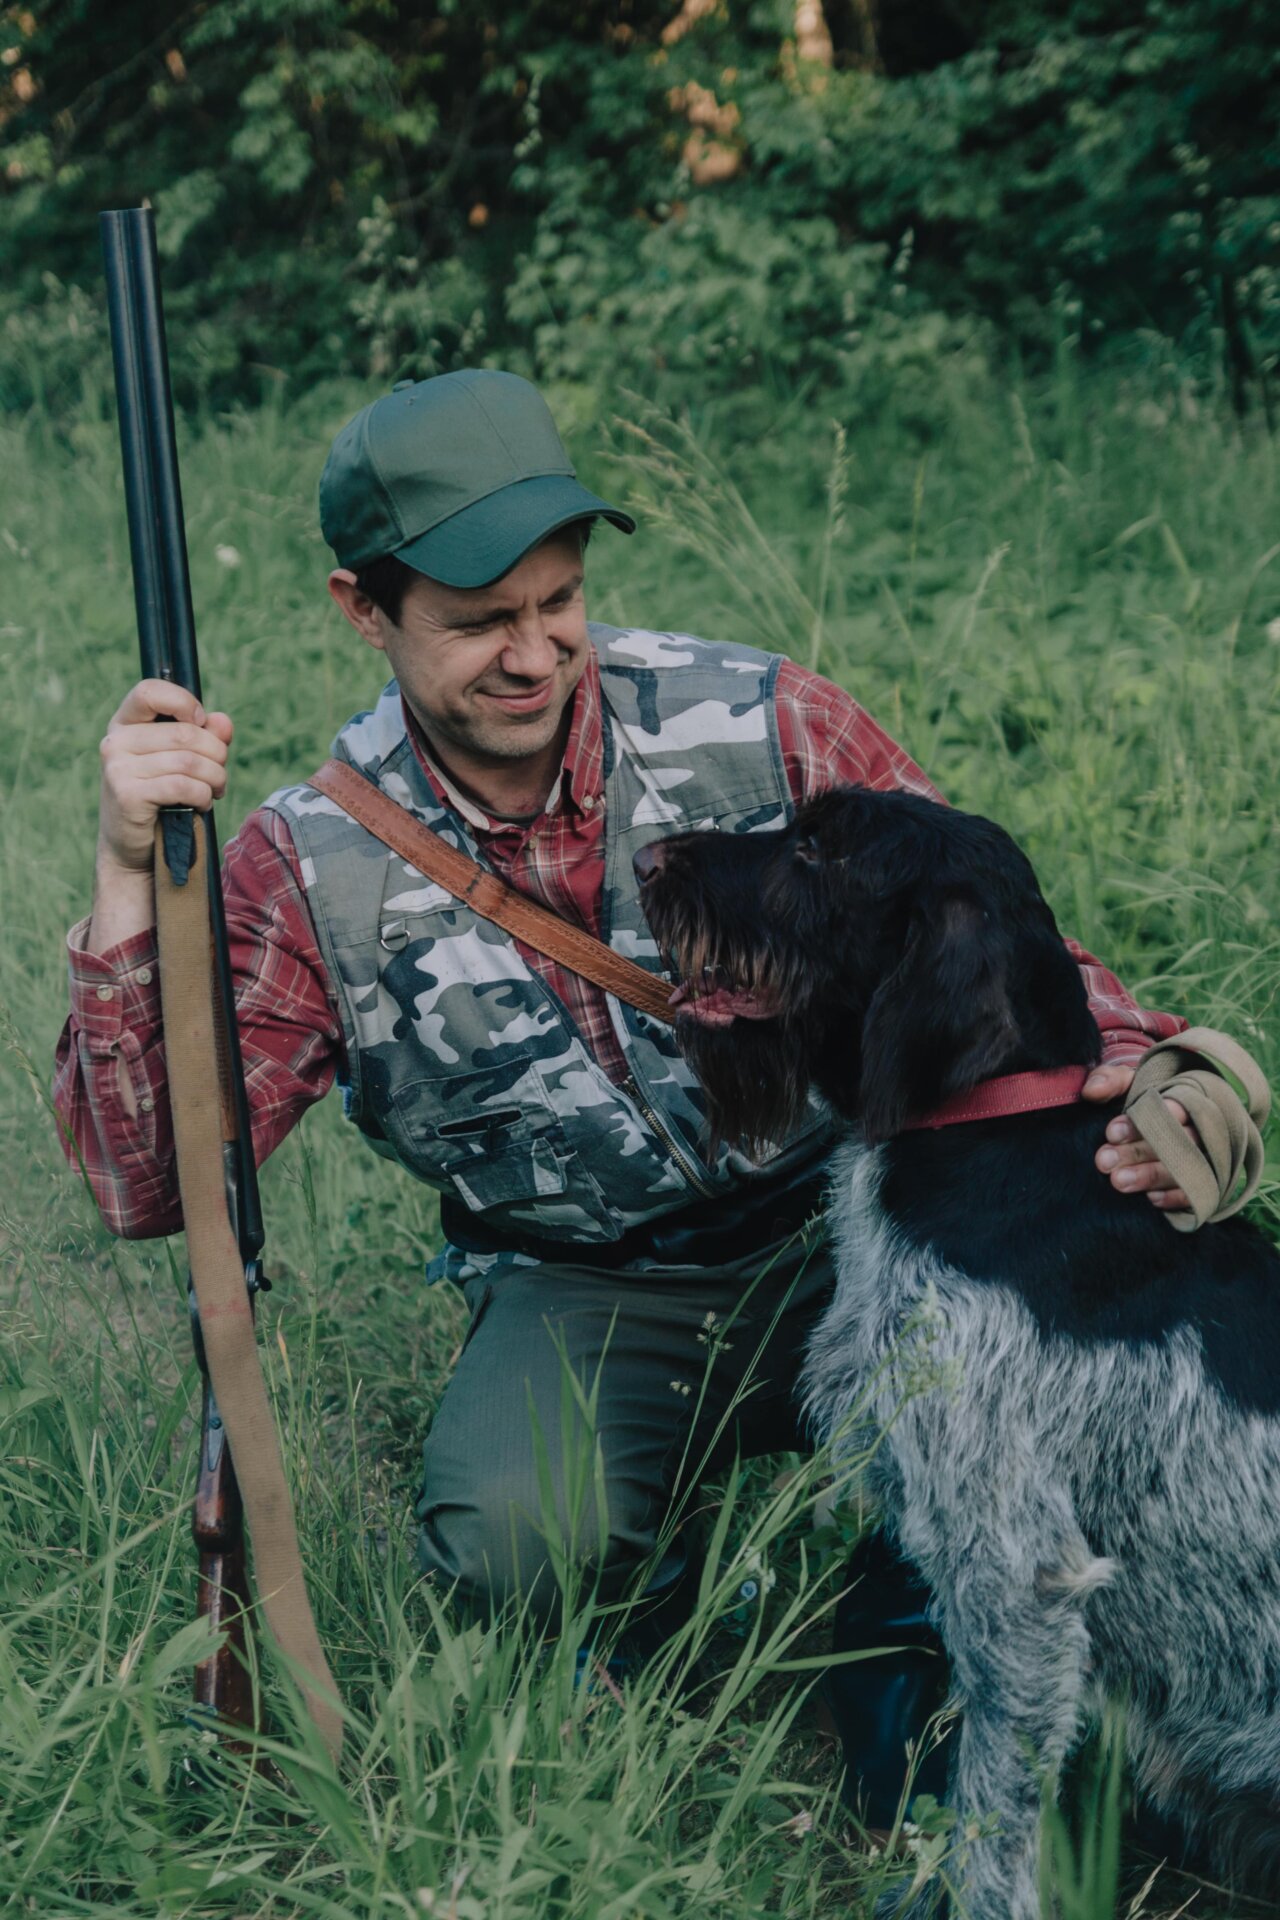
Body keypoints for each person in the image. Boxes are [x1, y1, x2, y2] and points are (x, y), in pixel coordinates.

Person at [54, 369, 1209, 1817]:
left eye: (560, 601)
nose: (533, 652)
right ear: (364, 609)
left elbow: (982, 949)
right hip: (591, 1283)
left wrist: (1164, 1077)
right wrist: (125, 876)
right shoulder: (307, 868)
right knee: (515, 1544)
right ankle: (671, 1590)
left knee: (1053, 1431)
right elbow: (150, 1183)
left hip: (855, 1225)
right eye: (479, 620)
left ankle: (908, 1589)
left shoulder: (760, 718)